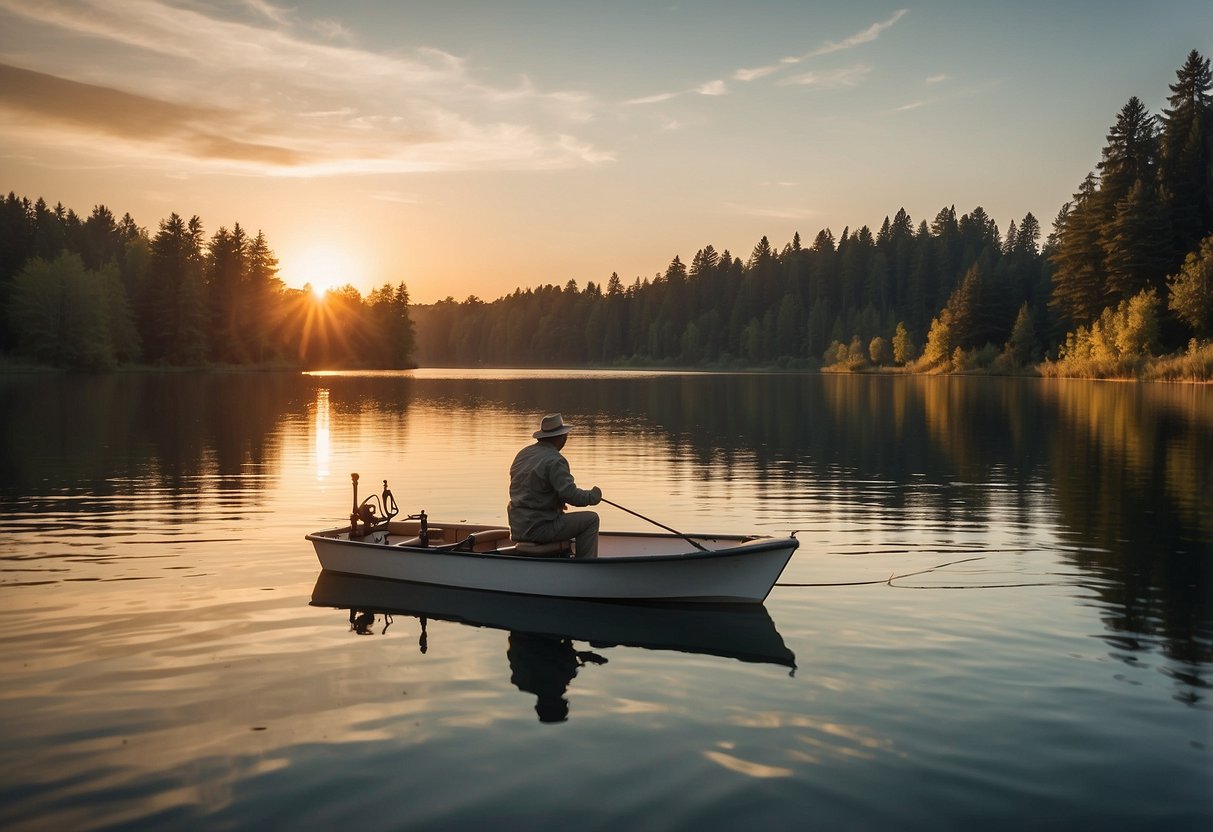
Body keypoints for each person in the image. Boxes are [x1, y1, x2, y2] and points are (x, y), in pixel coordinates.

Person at [507, 413, 603, 558]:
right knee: (591, 519)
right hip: (539, 528)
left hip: (518, 527)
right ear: (561, 437)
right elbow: (572, 496)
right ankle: (586, 568)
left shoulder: (524, 454)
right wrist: (593, 496)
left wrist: (556, 502)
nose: (566, 438)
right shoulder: (555, 460)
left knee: (567, 518)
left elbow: (533, 491)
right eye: (565, 436)